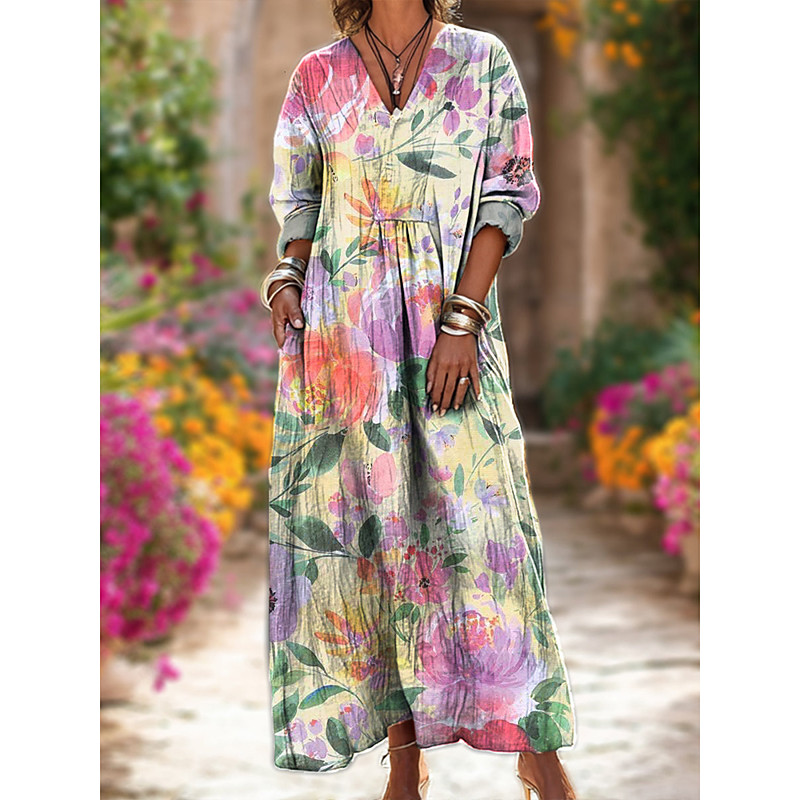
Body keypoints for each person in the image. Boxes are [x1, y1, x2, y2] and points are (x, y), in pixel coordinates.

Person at [264, 1, 578, 798]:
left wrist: (463, 318)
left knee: (488, 539)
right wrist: (288, 279)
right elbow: (301, 202)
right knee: (374, 544)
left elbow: (507, 193)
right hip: (346, 342)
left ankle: (537, 753)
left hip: (450, 326)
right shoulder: (317, 75)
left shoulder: (483, 60)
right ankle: (404, 765)